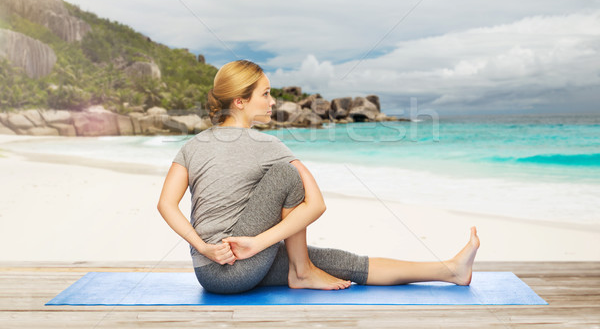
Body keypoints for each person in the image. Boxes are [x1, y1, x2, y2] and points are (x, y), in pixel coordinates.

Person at [157, 59, 480, 294]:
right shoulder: (268, 145)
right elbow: (316, 203)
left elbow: (166, 205)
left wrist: (206, 248)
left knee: (338, 262)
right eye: (265, 94)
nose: (273, 102)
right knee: (287, 175)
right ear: (240, 101)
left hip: (209, 274)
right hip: (240, 266)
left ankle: (451, 270)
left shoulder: (191, 146)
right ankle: (302, 271)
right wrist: (257, 244)